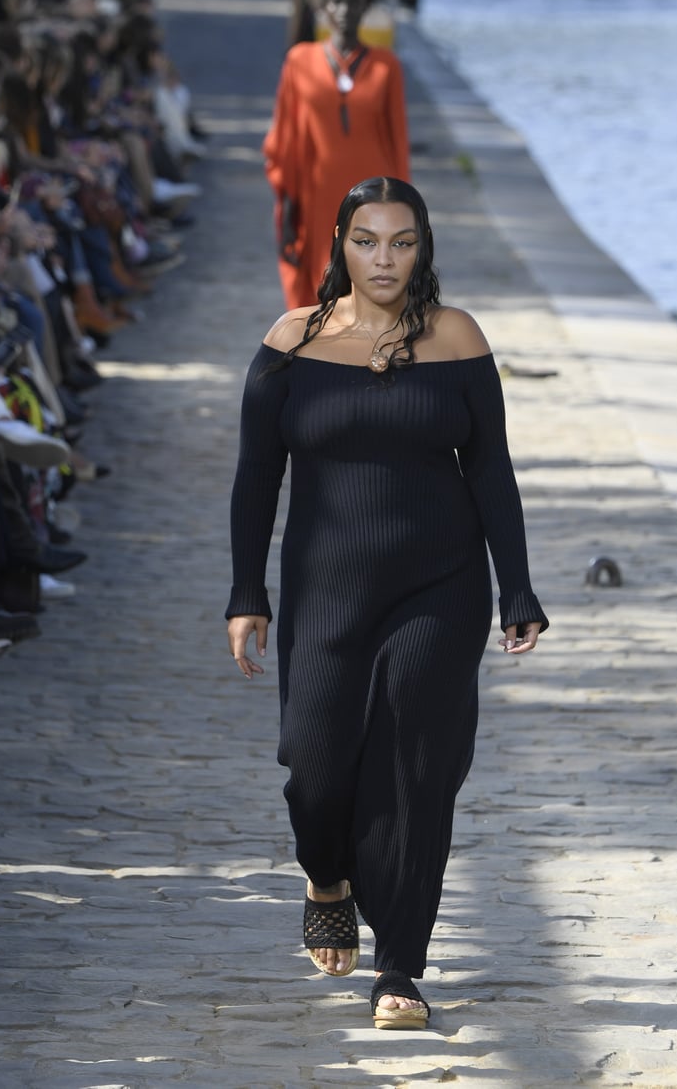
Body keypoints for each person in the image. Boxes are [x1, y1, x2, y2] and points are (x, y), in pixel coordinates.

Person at [226, 176, 548, 1029]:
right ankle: (326, 873)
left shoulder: (456, 337)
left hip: (439, 583)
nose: (384, 259)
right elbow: (259, 475)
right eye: (367, 240)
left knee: (419, 767)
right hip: (326, 584)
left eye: (402, 242)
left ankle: (400, 967)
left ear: (424, 248)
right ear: (339, 243)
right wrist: (245, 590)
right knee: (313, 762)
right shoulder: (292, 340)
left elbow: (489, 469)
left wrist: (515, 585)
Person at [263, 0, 410, 312]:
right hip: (318, 196)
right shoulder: (299, 61)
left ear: (365, 8)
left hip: (374, 197)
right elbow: (284, 137)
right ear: (324, 8)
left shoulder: (386, 67)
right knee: (320, 290)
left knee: (373, 288)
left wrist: (405, 212)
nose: (345, 10)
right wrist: (286, 206)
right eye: (337, 2)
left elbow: (398, 142)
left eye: (354, 2)